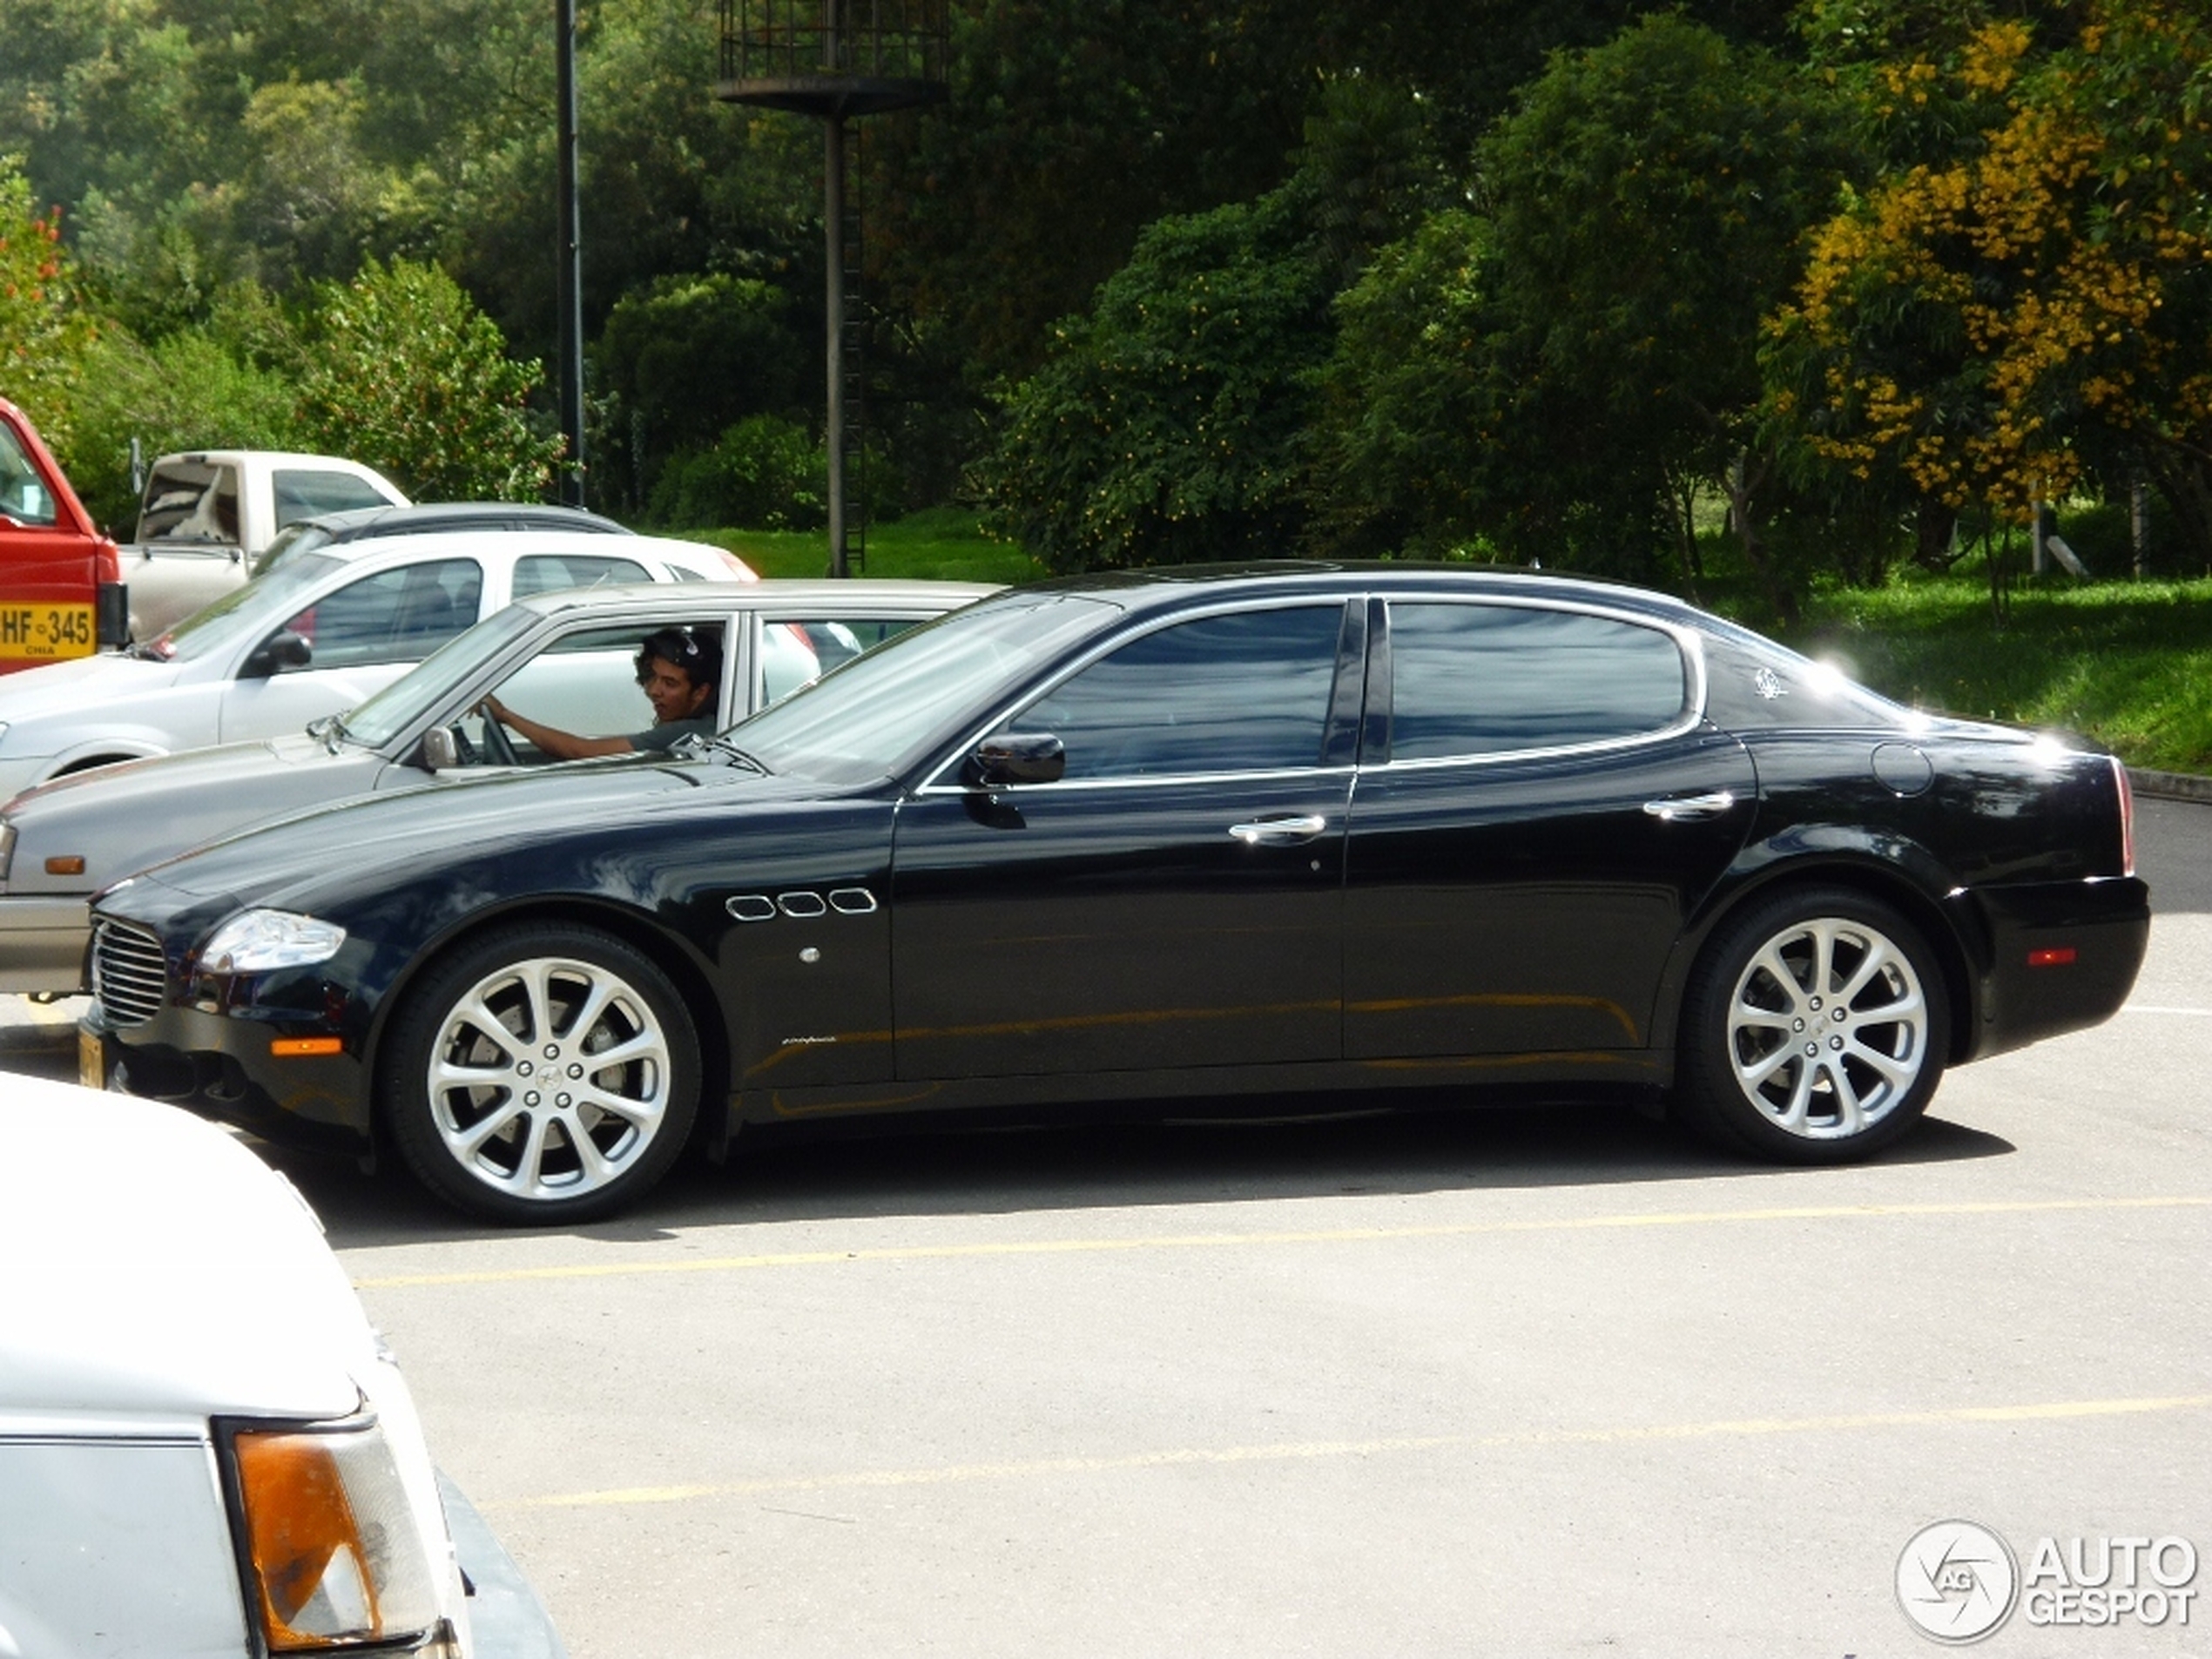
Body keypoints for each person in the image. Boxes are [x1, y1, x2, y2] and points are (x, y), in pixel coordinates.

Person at [480, 625, 723, 759]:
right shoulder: (690, 725)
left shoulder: (689, 732)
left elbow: (581, 751)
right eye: (653, 677)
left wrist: (505, 715)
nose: (654, 691)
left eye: (670, 683)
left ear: (700, 693)